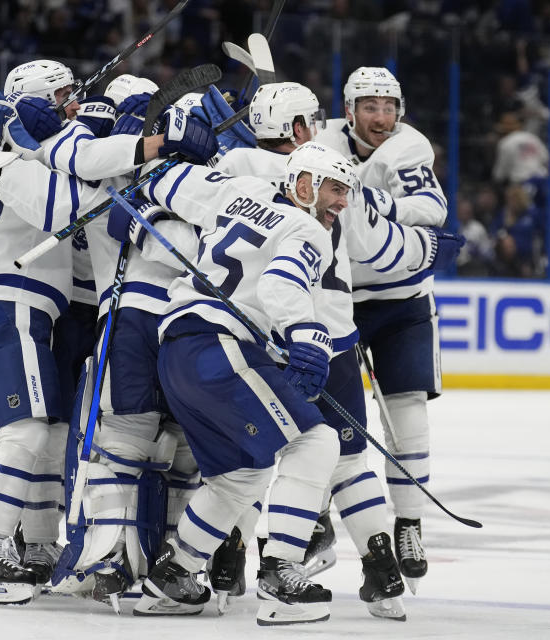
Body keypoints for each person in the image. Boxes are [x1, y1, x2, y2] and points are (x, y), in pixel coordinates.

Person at [122, 141, 458, 625]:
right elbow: (281, 283)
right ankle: (280, 576)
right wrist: (309, 338)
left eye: (347, 191)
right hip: (221, 345)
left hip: (178, 348)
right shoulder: (306, 229)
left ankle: (173, 576)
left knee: (242, 476)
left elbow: (165, 182)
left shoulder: (237, 190)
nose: (343, 202)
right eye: (336, 190)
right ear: (304, 186)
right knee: (316, 442)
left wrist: (143, 204)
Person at [0, 67, 217, 604]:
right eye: (61, 96)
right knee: (31, 433)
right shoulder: (23, 154)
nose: (73, 102)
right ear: (31, 105)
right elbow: (68, 208)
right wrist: (144, 146)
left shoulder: (9, 147)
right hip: (11, 300)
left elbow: (68, 162)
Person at [314, 66, 449, 592]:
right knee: (327, 419)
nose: (382, 117)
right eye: (370, 106)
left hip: (401, 299)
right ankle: (315, 513)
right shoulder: (319, 138)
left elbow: (432, 209)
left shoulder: (410, 148)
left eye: (390, 106)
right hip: (337, 299)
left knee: (406, 408)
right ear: (348, 110)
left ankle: (409, 524)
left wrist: (371, 201)